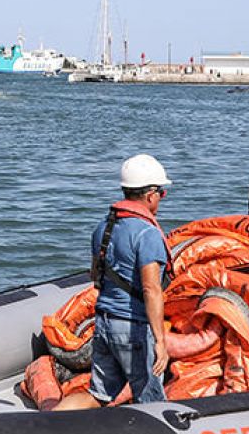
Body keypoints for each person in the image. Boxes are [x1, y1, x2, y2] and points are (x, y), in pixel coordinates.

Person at [57, 154, 172, 410]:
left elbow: (95, 276)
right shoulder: (147, 234)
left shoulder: (104, 228)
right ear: (151, 194)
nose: (161, 199)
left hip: (103, 323)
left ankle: (46, 426)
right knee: (151, 401)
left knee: (97, 395)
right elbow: (152, 289)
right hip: (133, 329)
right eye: (161, 193)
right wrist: (161, 341)